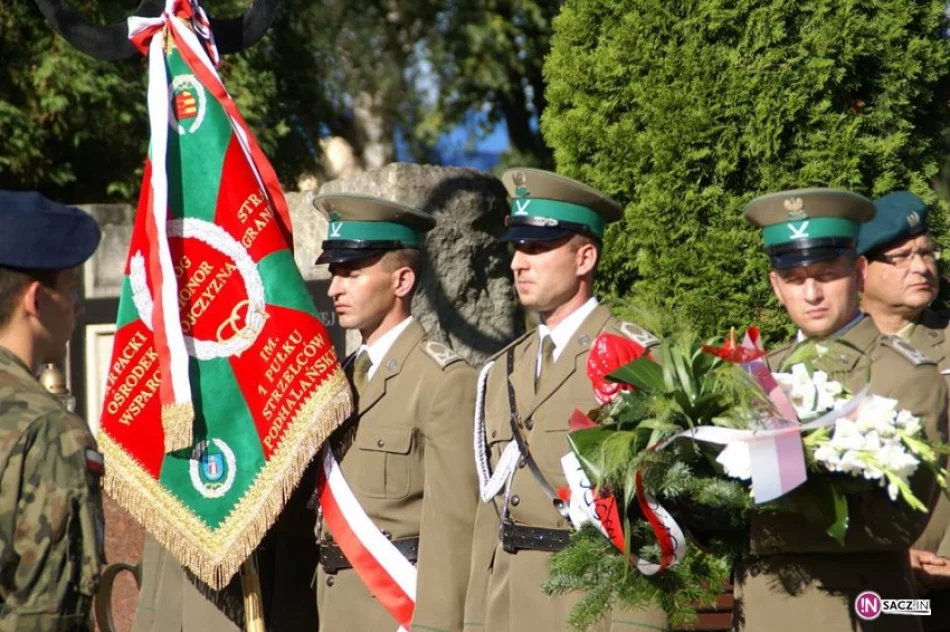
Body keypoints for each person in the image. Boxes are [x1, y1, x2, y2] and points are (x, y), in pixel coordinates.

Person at [463, 168, 668, 632]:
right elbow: (489, 512)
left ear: (584, 258)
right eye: (517, 248)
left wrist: (638, 626)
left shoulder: (632, 357)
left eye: (536, 248)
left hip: (585, 607)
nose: (518, 263)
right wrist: (474, 620)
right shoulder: (502, 369)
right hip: (505, 608)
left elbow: (647, 515)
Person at [739, 187, 949, 631]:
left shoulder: (905, 375)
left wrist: (750, 525)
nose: (811, 293)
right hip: (761, 614)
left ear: (857, 272)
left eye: (827, 274)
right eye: (794, 278)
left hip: (857, 612)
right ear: (776, 286)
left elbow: (897, 524)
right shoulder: (756, 376)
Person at [312, 193, 478, 632]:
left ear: (401, 281)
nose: (334, 288)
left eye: (351, 272)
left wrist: (434, 626)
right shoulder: (338, 380)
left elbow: (455, 528)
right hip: (331, 609)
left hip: (395, 611)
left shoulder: (443, 381)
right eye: (334, 272)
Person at [0, 190, 105, 629]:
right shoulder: (49, 430)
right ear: (36, 300)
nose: (79, 306)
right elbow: (45, 614)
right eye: (71, 288)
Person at [857, 190, 950, 630]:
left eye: (927, 252)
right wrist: (886, 556)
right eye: (901, 257)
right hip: (857, 583)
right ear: (860, 270)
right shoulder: (821, 357)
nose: (922, 266)